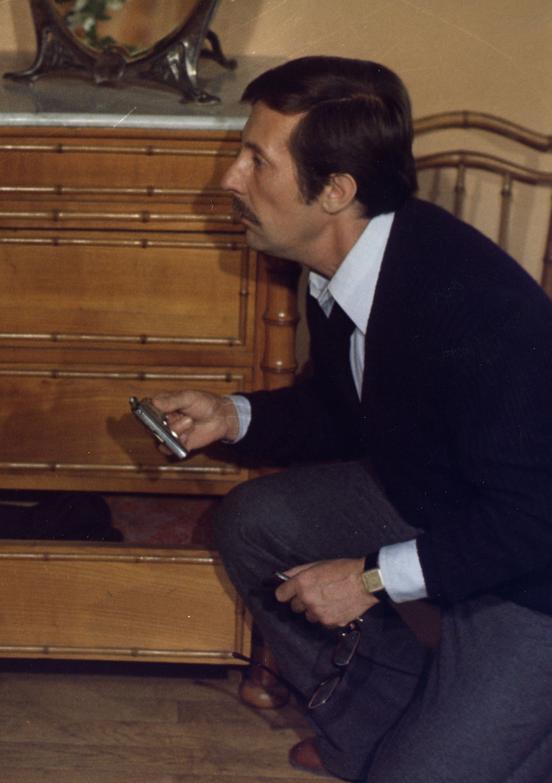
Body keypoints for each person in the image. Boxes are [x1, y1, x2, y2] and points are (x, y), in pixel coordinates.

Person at [152, 56, 552, 781]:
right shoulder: (348, 264)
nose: (229, 180)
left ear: (335, 191)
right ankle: (381, 736)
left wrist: (369, 579)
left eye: (255, 161)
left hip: (531, 568)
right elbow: (354, 407)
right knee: (255, 523)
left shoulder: (475, 310)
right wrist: (233, 416)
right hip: (447, 504)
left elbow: (534, 520)